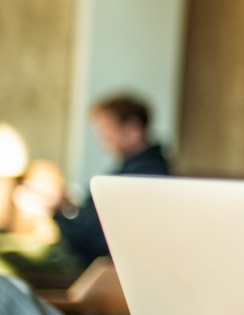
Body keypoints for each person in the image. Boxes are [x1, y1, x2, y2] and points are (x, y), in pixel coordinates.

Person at [20, 94, 172, 265]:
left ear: (132, 129)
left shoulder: (141, 177)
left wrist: (56, 211)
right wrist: (65, 207)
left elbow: (95, 242)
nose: (103, 140)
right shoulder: (132, 171)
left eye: (106, 130)